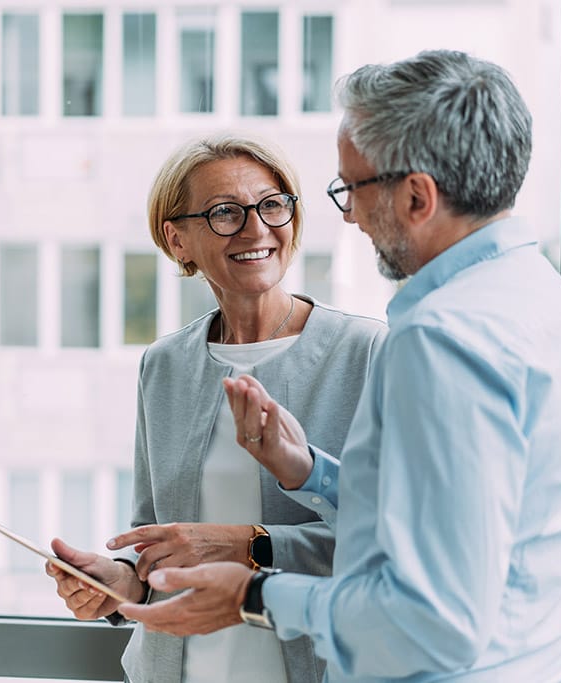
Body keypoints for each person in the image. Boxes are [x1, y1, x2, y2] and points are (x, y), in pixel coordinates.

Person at [116, 50, 561, 683]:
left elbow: (435, 622)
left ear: (416, 196)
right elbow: (453, 522)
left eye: (353, 188)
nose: (350, 215)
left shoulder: (443, 341)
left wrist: (250, 596)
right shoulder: (555, 310)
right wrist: (310, 475)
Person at [44, 133, 387, 683]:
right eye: (225, 212)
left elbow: (385, 546)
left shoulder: (367, 353)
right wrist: (121, 580)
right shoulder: (164, 365)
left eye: (271, 204)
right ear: (177, 239)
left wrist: (244, 546)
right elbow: (157, 533)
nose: (256, 228)